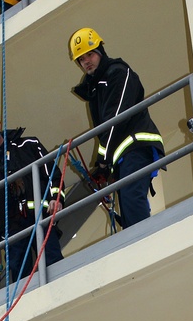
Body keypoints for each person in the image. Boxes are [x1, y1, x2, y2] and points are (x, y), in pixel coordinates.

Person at [68, 26, 164, 228]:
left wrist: (103, 163)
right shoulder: (95, 88)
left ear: (100, 51)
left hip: (137, 145)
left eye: (90, 55)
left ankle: (141, 241)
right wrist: (103, 163)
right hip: (121, 153)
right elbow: (104, 132)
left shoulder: (118, 73)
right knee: (127, 204)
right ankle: (135, 241)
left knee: (131, 196)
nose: (86, 61)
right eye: (81, 59)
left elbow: (116, 119)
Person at [0, 103, 64, 285]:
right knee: (21, 281)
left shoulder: (28, 145)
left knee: (54, 264)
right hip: (10, 230)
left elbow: (52, 174)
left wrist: (56, 198)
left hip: (40, 218)